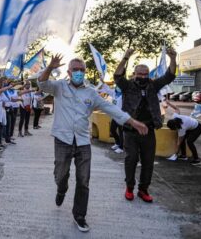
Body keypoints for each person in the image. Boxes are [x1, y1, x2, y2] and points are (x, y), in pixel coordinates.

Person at [38, 54, 148, 232]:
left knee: (84, 180)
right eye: (75, 70)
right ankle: (61, 189)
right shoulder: (59, 87)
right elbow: (42, 83)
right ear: (69, 71)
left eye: (82, 70)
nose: (79, 73)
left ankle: (79, 215)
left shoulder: (91, 93)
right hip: (63, 140)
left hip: (82, 141)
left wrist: (131, 121)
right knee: (61, 175)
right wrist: (50, 66)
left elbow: (110, 108)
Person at [114, 48, 177, 203]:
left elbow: (170, 75)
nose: (142, 76)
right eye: (140, 73)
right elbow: (117, 75)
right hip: (130, 130)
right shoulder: (127, 86)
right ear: (134, 74)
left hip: (148, 130)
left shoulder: (153, 85)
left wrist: (173, 58)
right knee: (131, 159)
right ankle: (129, 187)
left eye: (145, 73)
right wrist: (126, 57)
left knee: (148, 161)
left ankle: (143, 190)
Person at [165, 100, 201, 165]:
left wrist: (175, 153)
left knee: (189, 141)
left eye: (174, 128)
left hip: (197, 128)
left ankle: (197, 160)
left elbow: (178, 142)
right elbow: (177, 108)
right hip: (190, 127)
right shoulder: (174, 117)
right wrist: (169, 103)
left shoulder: (182, 128)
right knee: (183, 140)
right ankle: (183, 156)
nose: (174, 130)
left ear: (176, 126)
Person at [98, 82, 124, 153]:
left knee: (121, 131)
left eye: (119, 86)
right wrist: (102, 82)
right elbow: (107, 89)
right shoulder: (114, 93)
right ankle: (118, 143)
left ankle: (121, 147)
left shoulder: (124, 94)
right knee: (112, 130)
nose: (118, 87)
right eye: (117, 86)